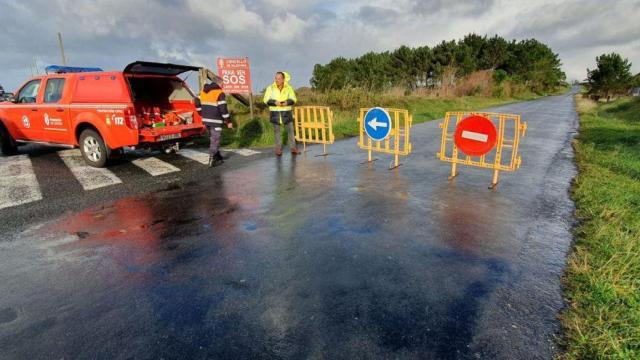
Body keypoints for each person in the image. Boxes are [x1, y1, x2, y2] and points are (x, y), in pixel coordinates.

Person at [196, 81, 233, 167]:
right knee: (215, 139)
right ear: (219, 83)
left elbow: (196, 101)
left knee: (213, 138)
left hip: (206, 120)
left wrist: (201, 112)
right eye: (222, 85)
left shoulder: (203, 92)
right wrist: (228, 121)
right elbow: (223, 109)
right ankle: (212, 159)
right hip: (215, 120)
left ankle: (218, 156)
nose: (223, 86)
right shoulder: (219, 93)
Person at [263, 71, 299, 156]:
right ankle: (278, 149)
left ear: (283, 79)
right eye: (276, 78)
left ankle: (293, 148)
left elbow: (294, 99)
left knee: (290, 131)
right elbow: (265, 100)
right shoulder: (270, 88)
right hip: (275, 113)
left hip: (287, 112)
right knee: (277, 132)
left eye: (279, 78)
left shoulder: (289, 88)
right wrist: (274, 102)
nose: (277, 80)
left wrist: (287, 102)